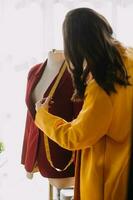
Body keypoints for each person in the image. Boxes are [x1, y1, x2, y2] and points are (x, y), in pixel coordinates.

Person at [34, 8, 133, 200]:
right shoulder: (127, 58)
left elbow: (76, 137)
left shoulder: (104, 85)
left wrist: (42, 115)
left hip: (110, 178)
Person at [21, 50, 82, 193]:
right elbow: (30, 118)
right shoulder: (34, 71)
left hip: (63, 157)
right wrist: (27, 156)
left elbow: (79, 120)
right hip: (38, 154)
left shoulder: (75, 73)